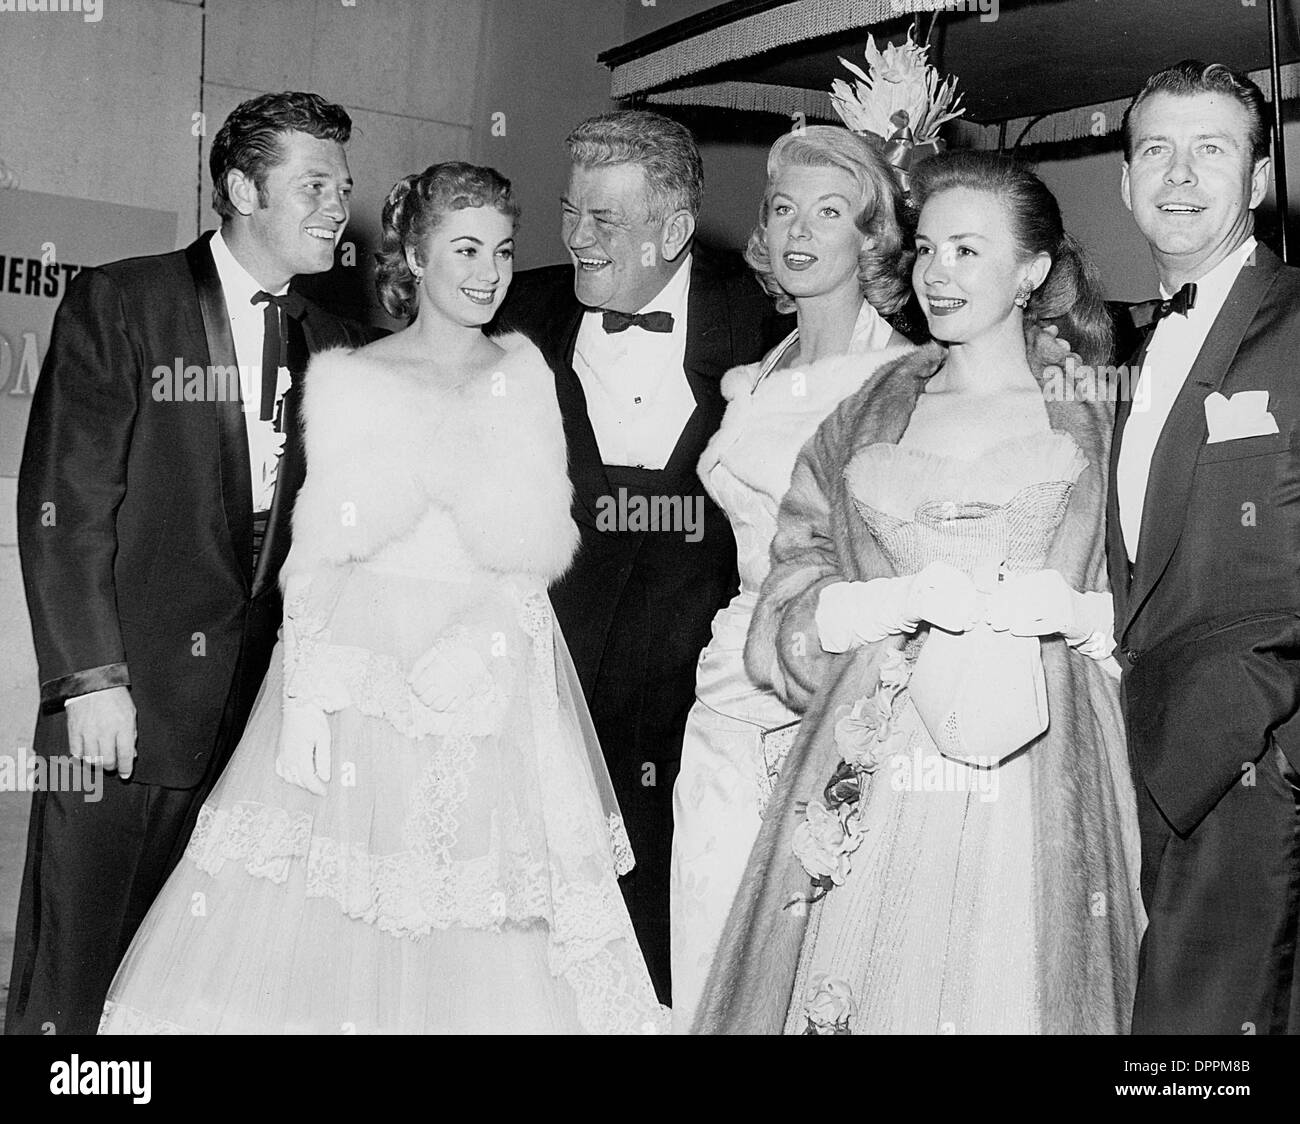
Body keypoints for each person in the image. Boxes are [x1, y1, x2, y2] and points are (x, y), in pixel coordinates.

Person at [97, 162, 666, 1035]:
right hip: (362, 674)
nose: (488, 271)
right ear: (415, 255)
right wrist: (304, 700)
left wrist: (478, 643)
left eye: (504, 251)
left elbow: (533, 549)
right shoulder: (348, 376)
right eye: (466, 248)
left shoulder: (525, 374)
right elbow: (320, 555)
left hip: (488, 677)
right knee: (333, 907)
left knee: (474, 917)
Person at [695, 152, 1144, 1034]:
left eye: (968, 252)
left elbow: (1160, 590)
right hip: (878, 758)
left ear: (1033, 271)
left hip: (1039, 768)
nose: (937, 275)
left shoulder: (1096, 416)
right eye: (929, 250)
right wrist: (868, 606)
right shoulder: (869, 408)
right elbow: (797, 568)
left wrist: (1085, 619)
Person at [6, 92, 376, 1036]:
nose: (339, 205)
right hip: (120, 714)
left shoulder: (333, 343)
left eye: (344, 184)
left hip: (247, 734)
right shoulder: (124, 301)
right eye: (315, 184)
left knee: (181, 982)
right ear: (244, 187)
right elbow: (67, 505)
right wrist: (89, 682)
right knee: (75, 970)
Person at [492, 110, 790, 1000]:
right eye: (569, 213)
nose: (577, 239)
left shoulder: (766, 324)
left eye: (605, 222)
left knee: (668, 958)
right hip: (540, 701)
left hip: (697, 715)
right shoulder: (515, 311)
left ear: (674, 230)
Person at [667, 126, 913, 1030]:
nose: (800, 231)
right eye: (783, 210)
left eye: (830, 211)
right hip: (725, 687)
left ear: (872, 236)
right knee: (707, 931)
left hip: (820, 693)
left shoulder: (896, 379)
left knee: (812, 957)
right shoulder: (759, 371)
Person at [1109, 60, 1300, 1035]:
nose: (1178, 176)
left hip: (1248, 768)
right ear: (1126, 180)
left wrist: (1215, 742)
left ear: (1261, 180)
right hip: (1141, 769)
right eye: (1156, 151)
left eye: (1210, 150)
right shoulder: (1131, 349)